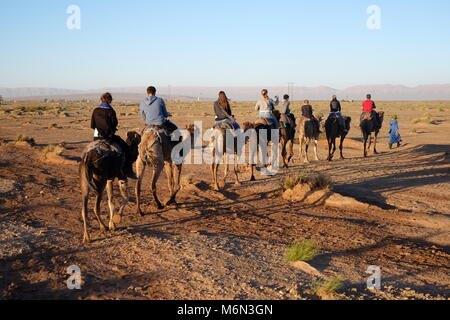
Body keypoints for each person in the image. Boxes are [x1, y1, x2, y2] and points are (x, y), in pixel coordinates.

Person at [91, 92, 136, 179]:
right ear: (110, 101)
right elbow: (114, 125)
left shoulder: (95, 110)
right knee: (126, 149)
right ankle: (128, 172)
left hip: (96, 138)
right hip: (108, 137)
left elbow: (93, 125)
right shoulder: (111, 111)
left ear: (101, 99)